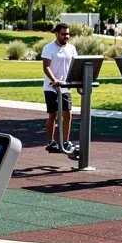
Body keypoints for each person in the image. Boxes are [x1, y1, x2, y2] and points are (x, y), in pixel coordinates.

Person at [42, 23, 77, 153]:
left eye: (67, 34)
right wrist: (54, 80)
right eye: (63, 34)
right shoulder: (48, 48)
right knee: (53, 114)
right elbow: (46, 67)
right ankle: (51, 142)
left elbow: (75, 66)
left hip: (65, 87)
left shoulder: (72, 48)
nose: (66, 36)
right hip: (51, 87)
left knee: (68, 114)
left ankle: (65, 141)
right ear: (56, 34)